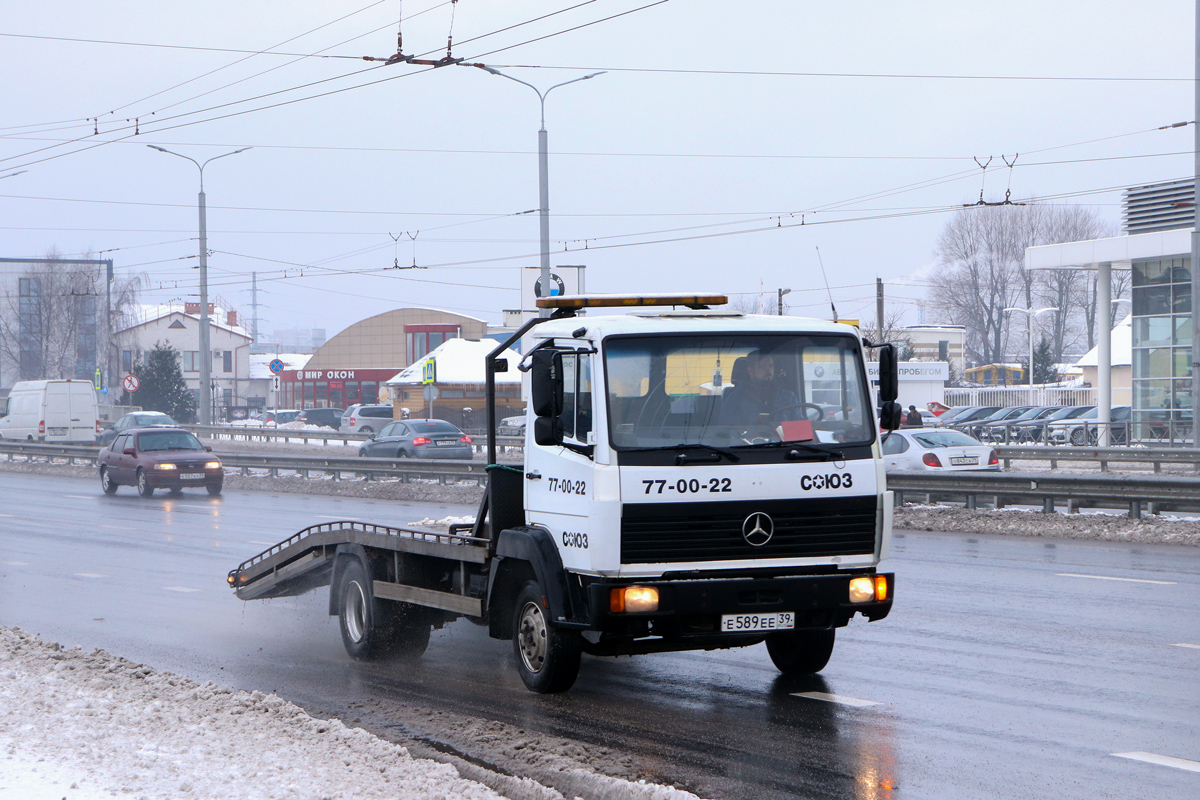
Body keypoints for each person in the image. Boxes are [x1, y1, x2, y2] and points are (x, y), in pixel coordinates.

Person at [719, 351, 799, 426]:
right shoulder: (735, 399)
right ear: (750, 370)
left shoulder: (788, 397)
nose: (768, 369)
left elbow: (799, 428)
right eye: (763, 366)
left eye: (771, 366)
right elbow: (727, 434)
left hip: (785, 441)